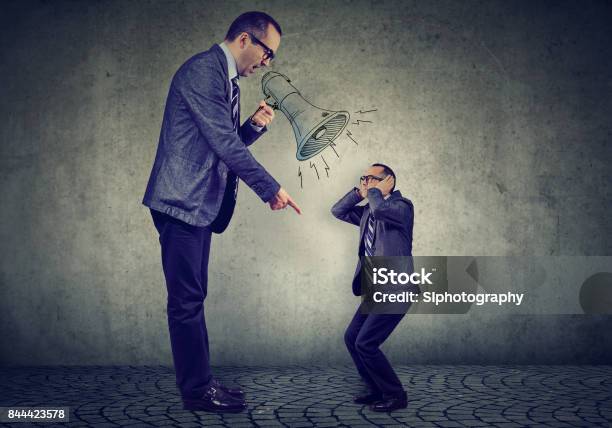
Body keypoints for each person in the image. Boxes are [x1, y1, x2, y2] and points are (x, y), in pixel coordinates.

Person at [142, 11, 301, 413]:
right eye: (268, 52)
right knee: (186, 302)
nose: (268, 62)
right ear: (246, 40)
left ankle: (202, 385)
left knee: (193, 298)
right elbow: (225, 148)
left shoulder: (223, 78)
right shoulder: (203, 72)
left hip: (196, 205)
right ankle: (197, 392)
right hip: (181, 203)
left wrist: (252, 128)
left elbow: (221, 145)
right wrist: (270, 188)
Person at [331, 163, 415, 412]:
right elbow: (337, 211)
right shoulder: (369, 210)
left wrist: (375, 193)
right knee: (352, 338)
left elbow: (381, 211)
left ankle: (396, 395)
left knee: (366, 343)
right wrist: (359, 193)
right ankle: (377, 390)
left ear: (388, 181)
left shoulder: (402, 207)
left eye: (371, 178)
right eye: (363, 178)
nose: (366, 181)